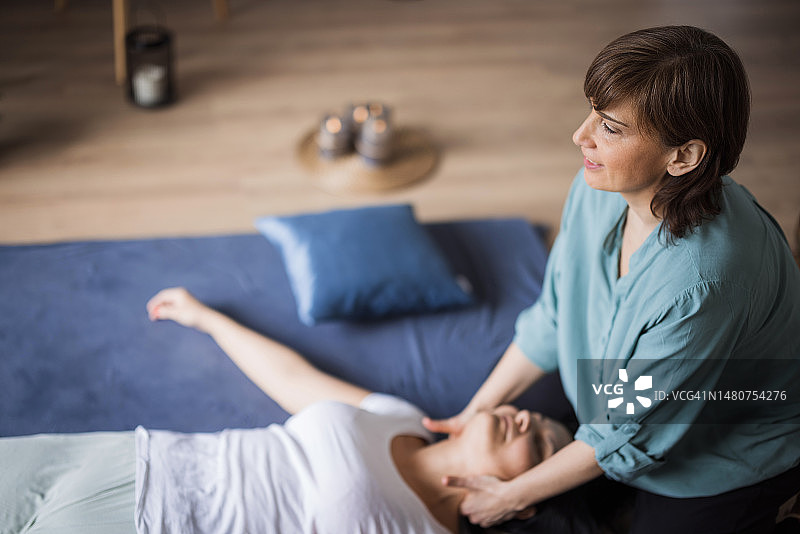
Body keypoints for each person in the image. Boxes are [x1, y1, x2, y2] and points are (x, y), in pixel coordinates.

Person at [423, 25, 800, 534]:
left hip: (726, 443)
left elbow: (621, 433)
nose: (581, 137)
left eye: (611, 128)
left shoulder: (704, 282)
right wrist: (475, 411)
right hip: (627, 402)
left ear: (683, 157)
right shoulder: (598, 185)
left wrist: (509, 498)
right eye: (593, 113)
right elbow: (555, 314)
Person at [0, 287, 572, 534]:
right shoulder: (403, 416)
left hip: (148, 525)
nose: (525, 418)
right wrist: (208, 319)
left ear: (519, 504)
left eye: (540, 445)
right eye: (533, 414)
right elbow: (295, 382)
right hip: (137, 454)